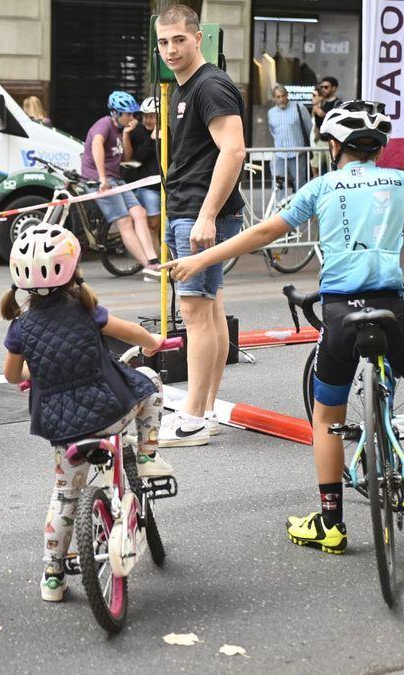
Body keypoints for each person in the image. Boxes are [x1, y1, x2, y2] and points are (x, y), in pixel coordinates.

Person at [160, 100, 404, 554]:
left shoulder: (320, 187)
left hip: (339, 315)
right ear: (378, 147)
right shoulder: (401, 181)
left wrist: (200, 257)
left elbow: (262, 234)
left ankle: (331, 523)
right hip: (390, 309)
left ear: (334, 144)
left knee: (327, 419)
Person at [0, 225, 173, 602]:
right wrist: (153, 341)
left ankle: (52, 578)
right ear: (72, 268)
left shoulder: (20, 327)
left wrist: (37, 371)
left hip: (62, 429)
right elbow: (128, 331)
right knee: (150, 385)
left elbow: (13, 374)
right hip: (110, 412)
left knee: (63, 497)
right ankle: (147, 455)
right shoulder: (85, 308)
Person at [153, 4, 246, 447]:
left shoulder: (210, 85)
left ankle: (191, 417)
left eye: (178, 40)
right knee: (208, 308)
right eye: (163, 41)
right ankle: (204, 409)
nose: (170, 49)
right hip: (192, 211)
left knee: (194, 312)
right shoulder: (188, 86)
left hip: (198, 213)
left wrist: (206, 216)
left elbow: (234, 151)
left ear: (198, 39)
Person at [81, 91, 161, 273]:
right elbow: (96, 145)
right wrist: (101, 178)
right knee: (125, 222)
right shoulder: (104, 124)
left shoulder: (120, 129)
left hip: (117, 179)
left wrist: (126, 134)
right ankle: (149, 266)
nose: (133, 117)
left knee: (140, 213)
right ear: (116, 113)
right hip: (99, 179)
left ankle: (152, 258)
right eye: (128, 114)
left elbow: (126, 157)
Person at [128, 96, 163, 265]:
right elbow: (138, 157)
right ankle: (157, 263)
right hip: (148, 186)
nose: (148, 120)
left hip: (168, 185)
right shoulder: (138, 132)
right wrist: (152, 140)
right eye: (146, 116)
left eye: (152, 116)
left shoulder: (169, 131)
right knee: (153, 226)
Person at [267, 84, 312, 198]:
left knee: (299, 183)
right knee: (278, 184)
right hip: (280, 154)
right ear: (274, 98)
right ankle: (278, 210)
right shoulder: (271, 113)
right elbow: (272, 131)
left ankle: (301, 210)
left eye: (283, 96)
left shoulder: (299, 107)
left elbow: (309, 128)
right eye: (278, 97)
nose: (281, 99)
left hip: (297, 153)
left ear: (287, 95)